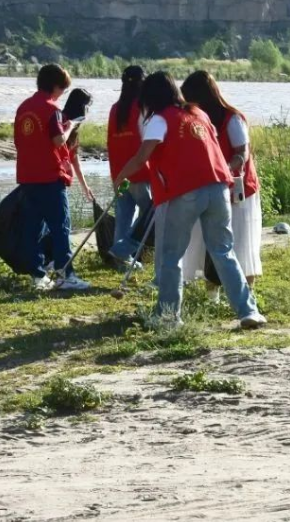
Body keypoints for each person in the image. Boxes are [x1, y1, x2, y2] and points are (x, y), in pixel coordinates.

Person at [113, 72, 266, 331]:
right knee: (224, 252)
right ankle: (249, 311)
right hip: (218, 188)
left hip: (183, 191)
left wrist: (119, 178)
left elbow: (141, 158)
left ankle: (168, 316)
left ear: (150, 98)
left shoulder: (160, 119)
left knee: (171, 256)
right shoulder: (199, 114)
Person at [180, 71, 262, 287]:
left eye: (190, 99)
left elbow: (242, 153)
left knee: (241, 243)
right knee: (208, 242)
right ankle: (212, 294)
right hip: (211, 189)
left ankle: (248, 293)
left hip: (239, 189)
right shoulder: (197, 120)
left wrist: (224, 169)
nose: (187, 105)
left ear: (202, 97)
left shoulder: (232, 119)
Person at [13, 64, 90, 291]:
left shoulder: (23, 107)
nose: (62, 94)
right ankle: (66, 274)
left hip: (27, 175)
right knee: (60, 226)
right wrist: (71, 125)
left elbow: (19, 141)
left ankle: (38, 276)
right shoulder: (52, 109)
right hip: (49, 175)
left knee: (33, 228)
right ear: (56, 86)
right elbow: (58, 140)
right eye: (63, 89)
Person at [107, 66, 153, 269]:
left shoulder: (115, 108)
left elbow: (111, 143)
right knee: (148, 216)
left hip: (119, 172)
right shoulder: (143, 108)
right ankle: (123, 250)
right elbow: (148, 140)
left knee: (123, 218)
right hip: (140, 171)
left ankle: (121, 261)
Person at [62, 88, 95, 204]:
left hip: (62, 182)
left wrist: (85, 187)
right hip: (54, 181)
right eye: (86, 106)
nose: (87, 110)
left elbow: (74, 159)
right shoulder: (61, 121)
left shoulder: (74, 128)